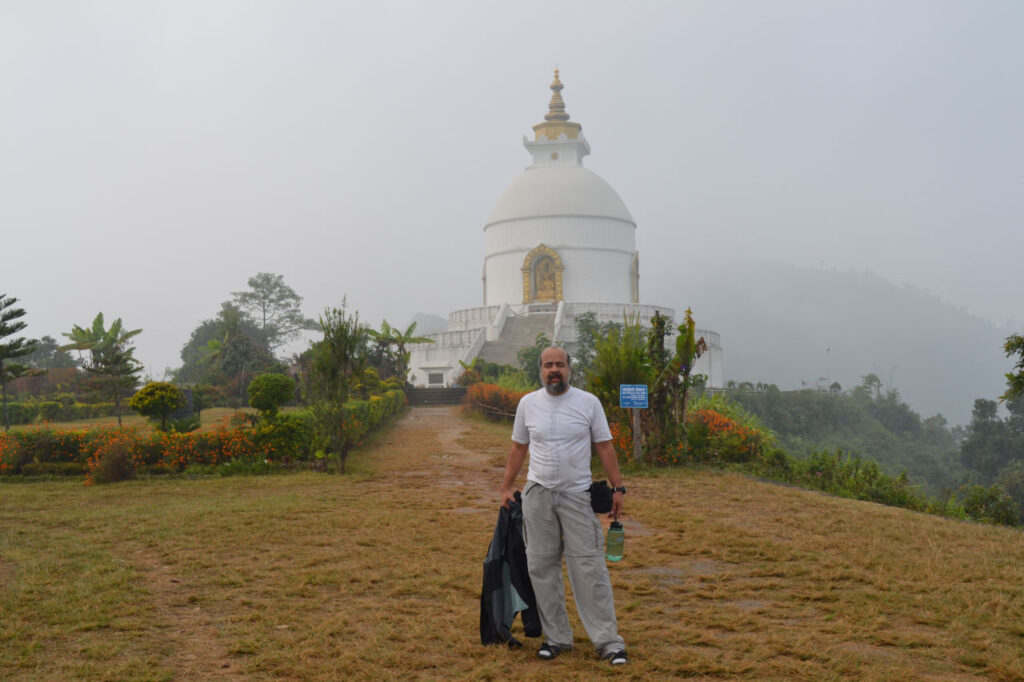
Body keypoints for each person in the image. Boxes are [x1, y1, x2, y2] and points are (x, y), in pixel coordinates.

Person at [499, 345, 628, 666]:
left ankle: (608, 642)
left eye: (559, 364)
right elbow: (518, 446)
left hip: (576, 495)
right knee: (541, 567)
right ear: (540, 370)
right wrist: (506, 486)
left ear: (570, 368)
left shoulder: (587, 402)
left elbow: (604, 446)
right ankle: (556, 637)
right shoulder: (529, 404)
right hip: (538, 494)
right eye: (547, 365)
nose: (553, 370)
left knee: (588, 567)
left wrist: (618, 488)